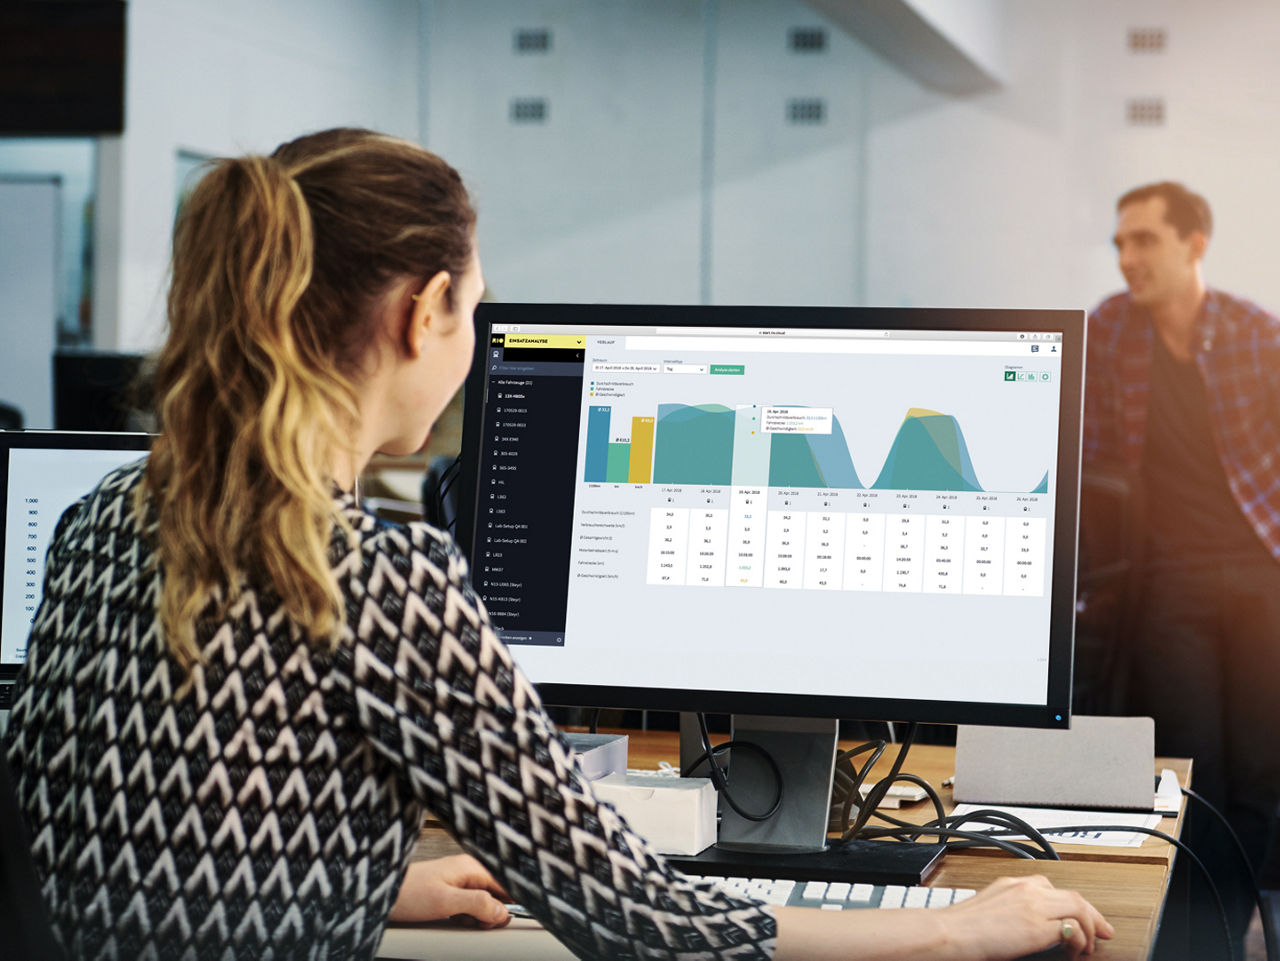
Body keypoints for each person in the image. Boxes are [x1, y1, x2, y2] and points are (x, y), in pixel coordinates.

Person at [3, 127, 1110, 960]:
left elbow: (113, 842)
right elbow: (642, 918)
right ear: (423, 311)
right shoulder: (378, 580)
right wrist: (953, 930)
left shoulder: (102, 517)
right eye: (474, 307)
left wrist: (361, 879)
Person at [1086, 181, 1280, 930]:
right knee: (1195, 772)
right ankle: (1201, 931)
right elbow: (1095, 456)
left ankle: (1229, 927)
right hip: (1170, 584)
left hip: (1263, 573)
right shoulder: (1111, 329)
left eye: (1144, 240)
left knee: (1264, 771)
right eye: (1120, 243)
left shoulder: (1254, 332)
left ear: (1194, 243)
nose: (1127, 257)